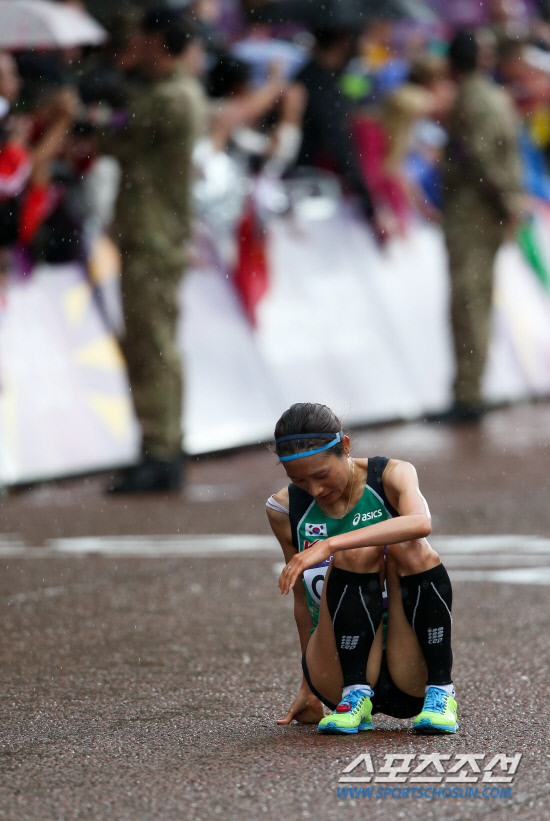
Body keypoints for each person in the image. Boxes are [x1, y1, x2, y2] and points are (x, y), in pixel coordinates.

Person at [266, 402, 457, 734]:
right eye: (299, 480)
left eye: (321, 475)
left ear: (345, 446)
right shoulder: (284, 508)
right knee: (353, 554)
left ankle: (441, 692)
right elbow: (303, 603)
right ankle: (354, 695)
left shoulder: (392, 474)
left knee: (409, 546)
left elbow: (421, 522)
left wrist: (330, 544)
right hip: (337, 669)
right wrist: (308, 688)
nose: (315, 490)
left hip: (408, 662)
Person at [105, 7, 207, 493]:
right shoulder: (178, 92)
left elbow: (117, 140)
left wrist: (118, 75)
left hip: (152, 235)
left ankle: (161, 449)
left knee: (152, 344)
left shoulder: (168, 96)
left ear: (157, 41)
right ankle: (162, 444)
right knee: (154, 342)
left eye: (142, 38)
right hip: (155, 234)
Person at [438, 30, 524, 424]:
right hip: (483, 213)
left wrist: (507, 200)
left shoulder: (472, 99)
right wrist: (509, 201)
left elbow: (481, 157)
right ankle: (470, 390)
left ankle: (469, 394)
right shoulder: (493, 96)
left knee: (468, 304)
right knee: (477, 302)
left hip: (471, 215)